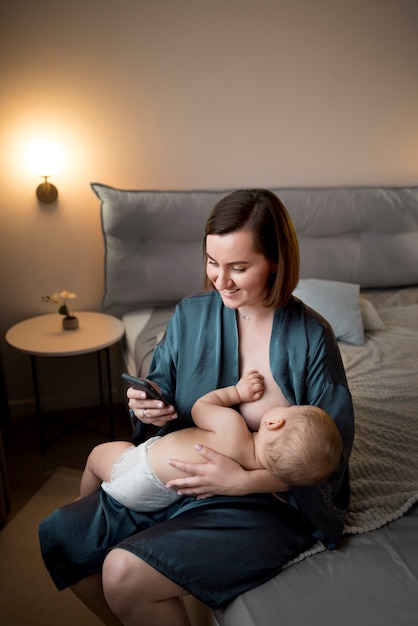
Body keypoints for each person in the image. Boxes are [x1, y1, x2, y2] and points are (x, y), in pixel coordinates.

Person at [39, 189, 354, 626]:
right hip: (176, 477)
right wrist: (148, 406)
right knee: (62, 534)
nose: (220, 281)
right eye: (212, 262)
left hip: (264, 503)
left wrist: (243, 483)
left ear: (276, 262)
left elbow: (329, 458)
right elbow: (162, 383)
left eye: (239, 267)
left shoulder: (311, 339)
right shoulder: (191, 315)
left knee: (123, 571)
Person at [80, 370, 343, 509]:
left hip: (139, 471)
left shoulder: (233, 427)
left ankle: (83, 505)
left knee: (99, 456)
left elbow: (200, 407)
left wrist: (237, 392)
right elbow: (288, 479)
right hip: (163, 497)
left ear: (274, 422)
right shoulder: (262, 471)